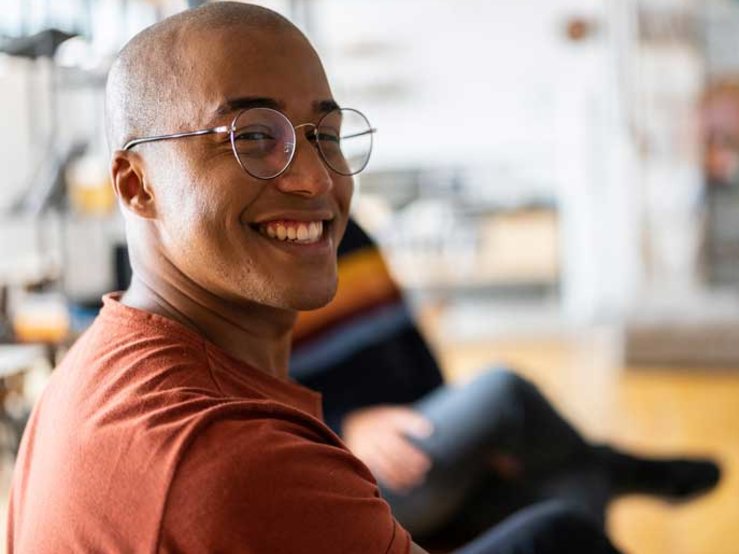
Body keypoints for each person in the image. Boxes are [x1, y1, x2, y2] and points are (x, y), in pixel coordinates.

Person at [6, 4, 623, 552]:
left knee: (551, 519)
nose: (315, 178)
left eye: (326, 136)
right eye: (251, 136)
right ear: (138, 186)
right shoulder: (243, 461)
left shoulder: (96, 364)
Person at [291, 218, 723, 545]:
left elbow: (410, 344)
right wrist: (343, 426)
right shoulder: (254, 269)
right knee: (503, 391)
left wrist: (472, 438)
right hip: (359, 468)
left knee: (573, 491)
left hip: (425, 438)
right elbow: (253, 407)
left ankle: (603, 465)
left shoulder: (350, 232)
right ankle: (614, 463)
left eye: (330, 139)